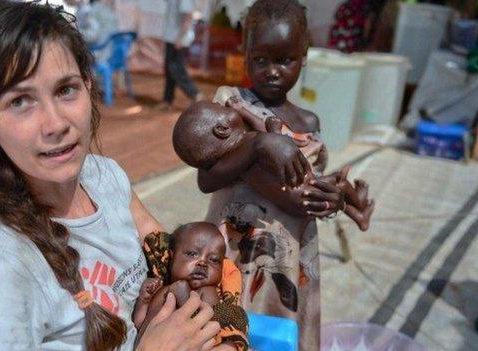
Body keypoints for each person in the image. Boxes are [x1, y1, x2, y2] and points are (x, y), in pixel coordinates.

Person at [0, 2, 220, 350]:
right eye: (20, 101)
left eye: (65, 90)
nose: (56, 124)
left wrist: (214, 258)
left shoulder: (106, 178)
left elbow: (166, 253)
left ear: (88, 85)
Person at [196, 0, 366, 349]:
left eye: (285, 59)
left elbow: (308, 188)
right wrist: (259, 145)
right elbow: (207, 178)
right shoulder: (231, 107)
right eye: (260, 60)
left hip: (287, 260)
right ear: (244, 55)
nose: (272, 71)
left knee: (279, 336)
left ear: (304, 56)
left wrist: (337, 197)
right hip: (236, 253)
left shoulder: (309, 124)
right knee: (228, 331)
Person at [173, 101, 374, 231]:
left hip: (301, 195)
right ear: (223, 129)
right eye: (225, 109)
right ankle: (358, 204)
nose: (229, 107)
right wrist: (271, 130)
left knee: (337, 186)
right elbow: (274, 143)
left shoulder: (236, 155)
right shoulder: (248, 146)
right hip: (303, 191)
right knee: (339, 181)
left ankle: (358, 213)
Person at [134, 222, 248, 350]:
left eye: (214, 260)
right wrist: (143, 302)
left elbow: (209, 329)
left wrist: (184, 298)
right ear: (172, 256)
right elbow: (140, 325)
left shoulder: (207, 292)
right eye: (192, 254)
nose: (203, 263)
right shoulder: (160, 288)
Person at [155, 0, 204, 110]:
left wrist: (180, 39)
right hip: (171, 37)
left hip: (178, 39)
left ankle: (195, 94)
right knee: (169, 69)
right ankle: (167, 100)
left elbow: (187, 17)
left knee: (176, 68)